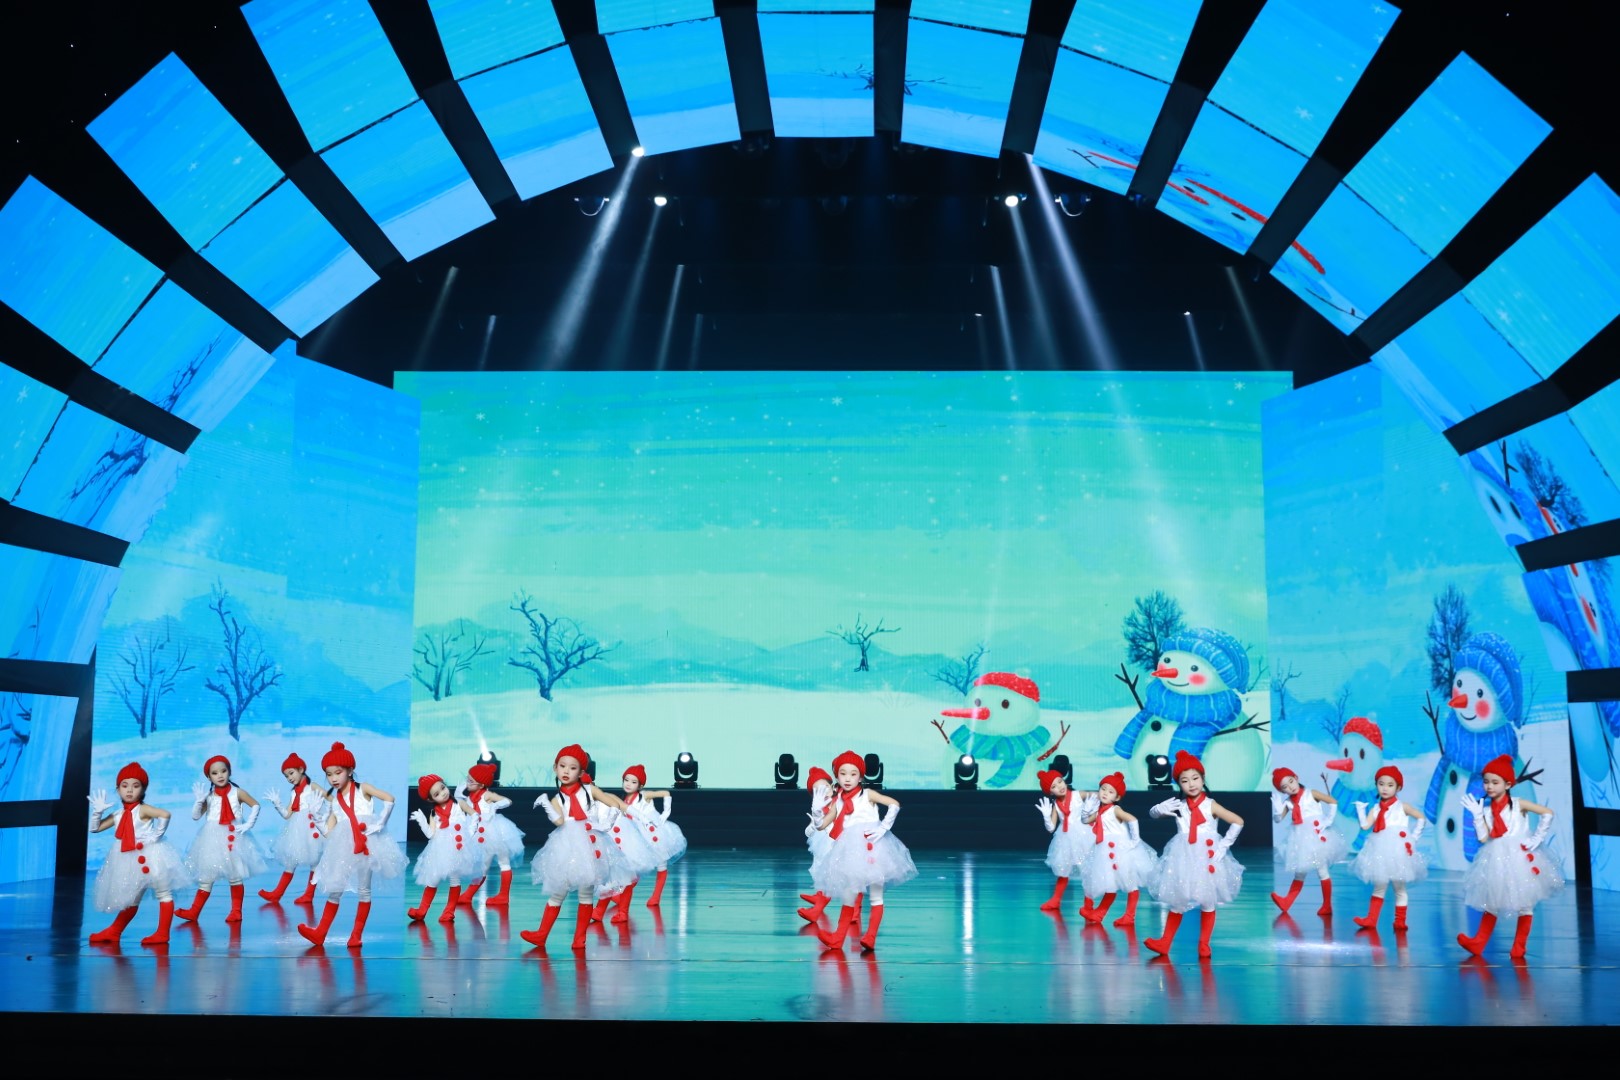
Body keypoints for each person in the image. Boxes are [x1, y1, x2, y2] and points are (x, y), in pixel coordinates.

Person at [519, 745, 635, 953]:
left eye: (572, 768)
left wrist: (605, 824)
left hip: (590, 844)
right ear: (555, 767)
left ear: (581, 772)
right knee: (558, 891)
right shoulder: (558, 798)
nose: (566, 771)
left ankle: (580, 939)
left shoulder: (590, 790)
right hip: (566, 845)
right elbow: (559, 821)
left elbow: (614, 804)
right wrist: (546, 804)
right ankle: (541, 934)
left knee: (586, 894)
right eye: (562, 766)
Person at [297, 742, 405, 949]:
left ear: (350, 770)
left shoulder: (363, 788)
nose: (333, 778)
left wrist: (380, 823)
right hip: (344, 846)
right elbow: (329, 833)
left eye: (338, 773)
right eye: (329, 774)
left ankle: (356, 935)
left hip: (367, 843)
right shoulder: (335, 801)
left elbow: (389, 799)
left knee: (364, 890)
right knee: (335, 889)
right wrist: (317, 817)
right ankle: (320, 932)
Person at [1457, 754, 1564, 959]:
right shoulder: (1486, 810)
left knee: (1525, 902)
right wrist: (1477, 816)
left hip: (1519, 856)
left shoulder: (1518, 804)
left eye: (1495, 782)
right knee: (1492, 900)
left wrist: (1537, 837)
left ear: (1508, 784)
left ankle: (1519, 946)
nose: (1489, 786)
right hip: (1495, 857)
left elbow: (1547, 812)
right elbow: (1483, 838)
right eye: (1486, 781)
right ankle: (1478, 942)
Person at [811, 750, 915, 952]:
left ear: (860, 776)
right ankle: (838, 938)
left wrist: (883, 827)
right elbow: (822, 825)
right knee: (849, 894)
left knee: (876, 895)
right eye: (843, 773)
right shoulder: (838, 800)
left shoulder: (868, 795)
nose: (847, 778)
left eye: (853, 774)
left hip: (874, 848)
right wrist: (816, 812)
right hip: (850, 850)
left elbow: (894, 804)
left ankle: (870, 936)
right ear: (836, 776)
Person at [1144, 750, 1244, 959]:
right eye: (1184, 780)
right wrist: (1158, 808)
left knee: (1208, 901)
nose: (1191, 784)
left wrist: (1223, 846)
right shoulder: (1179, 806)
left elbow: (1237, 821)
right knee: (1178, 900)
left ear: (1203, 779)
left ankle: (1204, 944)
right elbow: (1153, 815)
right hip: (1183, 857)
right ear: (1179, 784)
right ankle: (1165, 942)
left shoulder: (1210, 805)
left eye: (1195, 778)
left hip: (1207, 857)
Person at [87, 762, 182, 946]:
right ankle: (115, 931)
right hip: (129, 860)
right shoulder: (118, 814)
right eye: (125, 785)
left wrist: (156, 836)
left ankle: (162, 933)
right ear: (118, 789)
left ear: (143, 789)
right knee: (132, 898)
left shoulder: (143, 809)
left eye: (135, 786)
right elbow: (95, 828)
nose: (129, 790)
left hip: (151, 856)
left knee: (163, 892)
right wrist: (97, 813)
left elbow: (165, 814)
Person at [176, 754, 267, 924]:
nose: (220, 775)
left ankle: (236, 911)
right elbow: (196, 816)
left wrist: (249, 823)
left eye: (223, 771)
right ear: (209, 777)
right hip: (212, 839)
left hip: (233, 838)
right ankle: (194, 911)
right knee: (206, 877)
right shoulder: (209, 796)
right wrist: (199, 801)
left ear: (229, 772)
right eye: (215, 773)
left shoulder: (237, 792)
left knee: (235, 875)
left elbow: (255, 804)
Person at [1349, 765, 1427, 933]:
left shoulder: (1402, 806)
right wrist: (1361, 810)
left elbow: (1421, 818)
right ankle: (1371, 919)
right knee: (1379, 886)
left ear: (1398, 788)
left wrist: (1413, 838)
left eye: (1390, 785)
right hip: (1380, 849)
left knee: (1399, 888)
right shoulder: (1376, 808)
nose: (1385, 788)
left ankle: (1400, 921)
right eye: (1381, 784)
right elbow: (1365, 826)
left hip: (1398, 850)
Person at [1077, 772, 1155, 927]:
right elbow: (1085, 820)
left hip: (1120, 851)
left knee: (1129, 882)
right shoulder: (1100, 811)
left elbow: (1132, 819)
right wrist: (1086, 810)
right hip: (1105, 852)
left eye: (1110, 791)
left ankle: (1129, 915)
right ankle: (1100, 913)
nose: (1105, 793)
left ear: (1117, 797)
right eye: (1103, 789)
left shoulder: (1115, 810)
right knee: (1110, 884)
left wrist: (1135, 840)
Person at [1269, 766, 1347, 916]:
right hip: (1300, 839)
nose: (1290, 787)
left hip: (1316, 836)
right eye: (1284, 787)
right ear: (1282, 791)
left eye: (1290, 781)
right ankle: (1287, 902)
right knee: (1300, 872)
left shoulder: (1311, 793)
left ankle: (1327, 905)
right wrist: (1277, 812)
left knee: (1322, 871)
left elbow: (1332, 801)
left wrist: (1328, 820)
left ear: (1296, 778)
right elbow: (1278, 820)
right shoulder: (1288, 802)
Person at [409, 774, 479, 923]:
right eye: (437, 794)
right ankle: (422, 911)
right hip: (440, 848)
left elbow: (475, 815)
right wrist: (422, 821)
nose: (443, 793)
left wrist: (470, 831)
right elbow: (431, 834)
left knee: (455, 879)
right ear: (430, 799)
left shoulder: (459, 803)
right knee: (433, 879)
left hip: (458, 847)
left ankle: (449, 911)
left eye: (443, 787)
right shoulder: (434, 813)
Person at [258, 752, 324, 904]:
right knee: (291, 861)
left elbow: (331, 799)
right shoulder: (294, 792)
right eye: (286, 776)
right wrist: (277, 804)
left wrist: (321, 811)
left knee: (314, 862)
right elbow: (287, 814)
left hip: (312, 828)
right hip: (297, 829)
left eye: (291, 773)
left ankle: (308, 895)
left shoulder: (312, 786)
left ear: (301, 769)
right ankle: (277, 894)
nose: (289, 778)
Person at [617, 763, 686, 907]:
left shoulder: (644, 795)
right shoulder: (624, 799)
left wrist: (665, 814)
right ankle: (620, 896)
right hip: (636, 837)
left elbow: (666, 793)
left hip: (653, 834)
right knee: (634, 866)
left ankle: (656, 896)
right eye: (626, 780)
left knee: (661, 862)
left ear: (640, 785)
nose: (628, 784)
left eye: (633, 782)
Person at [457, 762, 525, 907]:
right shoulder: (469, 797)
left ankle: (503, 895)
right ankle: (469, 894)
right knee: (482, 865)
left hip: (493, 832)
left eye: (471, 781)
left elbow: (507, 801)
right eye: (467, 779)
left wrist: (494, 806)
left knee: (503, 862)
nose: (467, 783)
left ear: (481, 784)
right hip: (477, 833)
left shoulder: (486, 795)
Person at [1033, 768, 1090, 913]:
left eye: (1060, 781)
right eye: (1054, 786)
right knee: (1063, 871)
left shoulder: (1078, 795)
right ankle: (1056, 900)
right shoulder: (1056, 805)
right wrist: (1046, 817)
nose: (1059, 786)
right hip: (1065, 839)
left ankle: (1088, 904)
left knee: (1086, 871)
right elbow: (1051, 828)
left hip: (1084, 836)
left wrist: (1092, 811)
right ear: (1050, 792)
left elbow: (1098, 797)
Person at [797, 766, 836, 921]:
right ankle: (819, 895)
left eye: (825, 787)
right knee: (820, 868)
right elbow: (808, 832)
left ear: (832, 787)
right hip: (822, 843)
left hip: (836, 843)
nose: (823, 792)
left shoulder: (837, 804)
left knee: (835, 874)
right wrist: (813, 825)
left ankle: (819, 906)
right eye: (817, 790)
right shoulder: (818, 809)